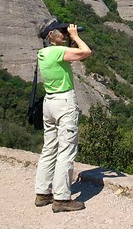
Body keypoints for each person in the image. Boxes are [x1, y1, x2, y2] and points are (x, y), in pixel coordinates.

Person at [34, 18, 91, 213]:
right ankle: (62, 198)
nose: (63, 32)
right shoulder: (58, 52)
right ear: (51, 35)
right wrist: (75, 36)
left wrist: (67, 37)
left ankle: (42, 193)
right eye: (59, 30)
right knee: (66, 151)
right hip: (64, 103)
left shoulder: (42, 53)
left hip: (49, 103)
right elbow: (86, 52)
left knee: (49, 148)